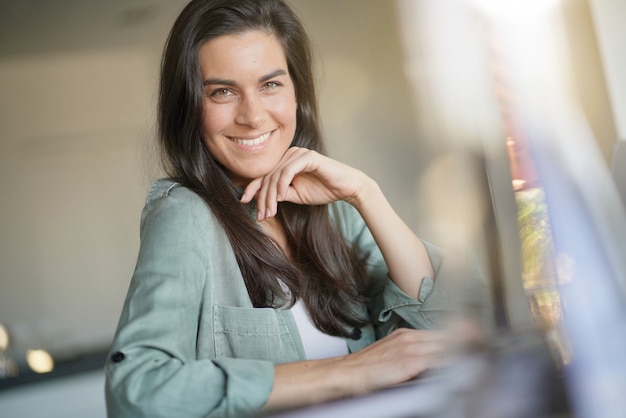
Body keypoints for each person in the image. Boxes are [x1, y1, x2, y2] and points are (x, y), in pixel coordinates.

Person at [104, 0, 491, 417]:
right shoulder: (185, 214)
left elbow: (454, 327)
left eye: (270, 85)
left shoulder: (336, 213)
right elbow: (136, 391)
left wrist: (365, 193)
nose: (252, 116)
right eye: (222, 91)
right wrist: (350, 370)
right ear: (189, 108)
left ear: (296, 94)